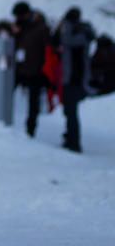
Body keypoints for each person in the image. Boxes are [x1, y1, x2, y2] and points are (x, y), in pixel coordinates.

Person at [53, 8, 95, 153]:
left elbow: (68, 41)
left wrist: (68, 27)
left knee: (71, 111)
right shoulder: (76, 32)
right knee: (67, 110)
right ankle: (69, 137)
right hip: (68, 77)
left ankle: (74, 142)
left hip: (75, 79)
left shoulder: (83, 33)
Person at [11, 1, 51, 137]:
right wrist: (15, 33)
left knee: (33, 103)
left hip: (35, 71)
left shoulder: (42, 28)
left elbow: (47, 50)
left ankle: (30, 131)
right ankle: (3, 125)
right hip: (20, 68)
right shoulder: (20, 26)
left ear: (28, 14)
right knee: (6, 91)